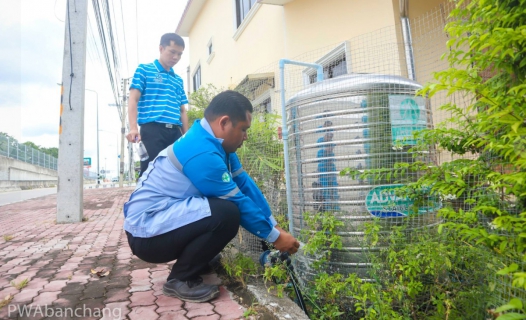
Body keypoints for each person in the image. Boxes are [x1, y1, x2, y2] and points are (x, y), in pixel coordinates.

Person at [123, 90, 300, 303]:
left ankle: (197, 260)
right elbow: (236, 201)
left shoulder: (215, 143)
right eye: (243, 129)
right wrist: (276, 238)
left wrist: (273, 224)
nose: (245, 136)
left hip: (160, 222)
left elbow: (244, 185)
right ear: (224, 122)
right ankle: (180, 279)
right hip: (146, 235)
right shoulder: (201, 152)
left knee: (223, 210)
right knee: (226, 213)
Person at [126, 33, 189, 177]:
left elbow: (182, 110)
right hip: (152, 130)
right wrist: (133, 128)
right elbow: (133, 100)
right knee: (151, 172)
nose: (176, 57)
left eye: (179, 54)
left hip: (175, 133)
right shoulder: (144, 70)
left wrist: (186, 135)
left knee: (177, 173)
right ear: (161, 48)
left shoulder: (178, 80)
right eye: (172, 52)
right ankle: (143, 200)